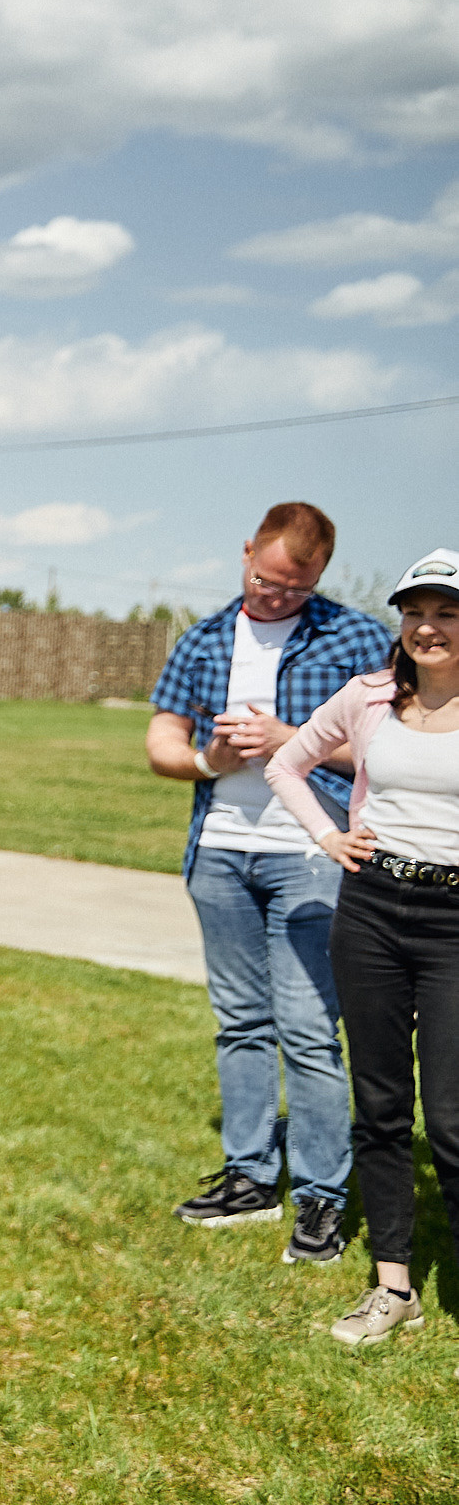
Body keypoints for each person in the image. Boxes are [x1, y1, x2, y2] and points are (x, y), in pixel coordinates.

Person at [145, 502, 391, 1262]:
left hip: (312, 855)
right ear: (247, 550)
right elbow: (162, 742)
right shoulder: (205, 636)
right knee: (240, 1023)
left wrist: (296, 741)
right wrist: (208, 760)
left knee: (311, 1033)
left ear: (319, 573)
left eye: (294, 586)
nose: (276, 596)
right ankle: (251, 1175)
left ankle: (321, 1195)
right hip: (218, 855)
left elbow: (397, 747)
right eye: (265, 578)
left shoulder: (356, 637)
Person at [265, 550, 459, 1344]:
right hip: (373, 908)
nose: (428, 625)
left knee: (449, 1119)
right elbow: (286, 762)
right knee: (380, 1108)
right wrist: (328, 835)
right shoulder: (368, 697)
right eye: (416, 611)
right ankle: (394, 1287)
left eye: (447, 611)